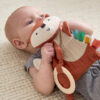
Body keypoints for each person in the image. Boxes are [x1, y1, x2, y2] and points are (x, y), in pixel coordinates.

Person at [5, 6, 100, 100]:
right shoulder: (35, 61)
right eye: (30, 21)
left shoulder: (64, 30)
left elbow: (89, 31)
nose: (40, 19)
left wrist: (67, 24)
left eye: (42, 15)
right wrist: (45, 61)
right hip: (93, 81)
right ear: (20, 43)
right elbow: (44, 89)